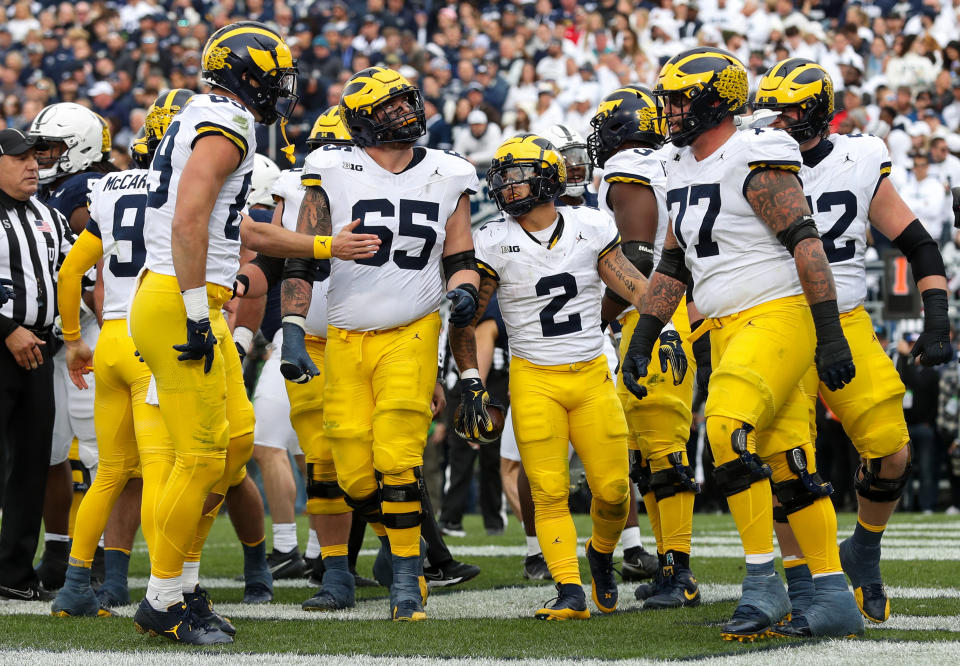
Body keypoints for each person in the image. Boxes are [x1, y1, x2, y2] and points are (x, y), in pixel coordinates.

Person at [128, 22, 378, 644]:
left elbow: (241, 231)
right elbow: (188, 219)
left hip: (185, 294)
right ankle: (166, 597)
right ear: (246, 74)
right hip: (178, 297)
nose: (282, 87)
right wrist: (193, 308)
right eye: (274, 75)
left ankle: (180, 583)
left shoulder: (205, 114)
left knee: (237, 441)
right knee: (199, 455)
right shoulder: (227, 123)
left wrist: (326, 245)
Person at [622, 47, 862, 640]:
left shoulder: (756, 153)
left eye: (681, 98)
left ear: (716, 100)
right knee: (788, 463)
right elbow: (675, 264)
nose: (670, 110)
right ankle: (829, 594)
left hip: (777, 314)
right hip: (730, 327)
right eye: (668, 98)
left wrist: (830, 334)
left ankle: (764, 582)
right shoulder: (679, 166)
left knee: (727, 430)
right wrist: (643, 338)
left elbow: (807, 244)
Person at [755, 58, 954, 626]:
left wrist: (936, 319)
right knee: (786, 461)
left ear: (818, 110)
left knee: (892, 451)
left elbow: (918, 243)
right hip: (777, 320)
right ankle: (801, 581)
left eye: (788, 109)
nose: (776, 121)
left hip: (845, 320)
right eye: (772, 110)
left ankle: (863, 552)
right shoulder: (753, 159)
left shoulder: (860, 158)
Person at [280, 66, 482, 621]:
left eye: (405, 103)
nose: (404, 114)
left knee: (397, 454)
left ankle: (405, 578)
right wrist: (294, 330)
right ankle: (397, 559)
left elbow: (460, 259)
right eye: (389, 108)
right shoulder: (329, 168)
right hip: (344, 334)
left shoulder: (449, 171)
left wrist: (464, 293)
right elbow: (303, 254)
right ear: (362, 123)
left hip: (413, 330)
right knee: (349, 470)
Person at [459, 133, 682, 620]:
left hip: (589, 372)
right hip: (533, 377)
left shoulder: (591, 225)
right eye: (503, 177)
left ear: (549, 179)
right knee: (548, 490)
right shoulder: (493, 240)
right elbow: (466, 321)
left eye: (518, 175)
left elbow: (629, 280)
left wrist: (659, 328)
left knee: (613, 490)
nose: (508, 186)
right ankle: (569, 590)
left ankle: (601, 552)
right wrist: (470, 378)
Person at [50, 90, 194, 619]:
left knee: (108, 470)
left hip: (107, 339)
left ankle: (74, 588)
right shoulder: (183, 184)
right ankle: (167, 590)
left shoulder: (105, 186)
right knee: (160, 470)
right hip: (150, 340)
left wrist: (72, 340)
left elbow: (71, 273)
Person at [589, 85, 703, 608]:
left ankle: (680, 574)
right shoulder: (671, 160)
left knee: (663, 451)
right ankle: (668, 566)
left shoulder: (631, 167)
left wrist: (594, 318)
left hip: (652, 317)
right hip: (672, 311)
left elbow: (635, 254)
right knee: (648, 456)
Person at [28, 102, 113, 591]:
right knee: (56, 447)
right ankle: (61, 550)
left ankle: (96, 556)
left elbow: (85, 267)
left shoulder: (87, 187)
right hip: (64, 333)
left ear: (79, 147)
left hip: (91, 329)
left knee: (96, 446)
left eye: (52, 147)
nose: (42, 156)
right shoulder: (52, 189)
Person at [0, 128, 74, 602]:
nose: (33, 166)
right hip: (4, 343)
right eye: (21, 158)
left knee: (31, 463)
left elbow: (73, 271)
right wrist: (5, 327)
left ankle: (13, 572)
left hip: (40, 349)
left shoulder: (48, 215)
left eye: (35, 158)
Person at [541, 124, 597, 208]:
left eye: (579, 158)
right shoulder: (545, 213)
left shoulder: (597, 201)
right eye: (564, 160)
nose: (575, 166)